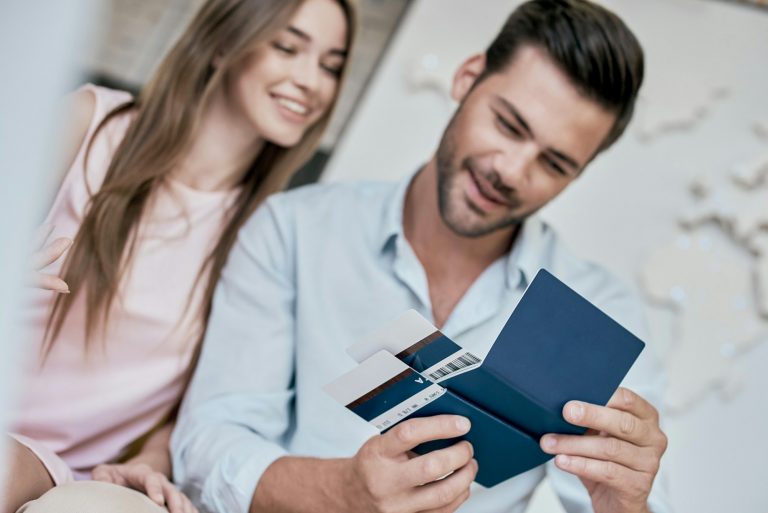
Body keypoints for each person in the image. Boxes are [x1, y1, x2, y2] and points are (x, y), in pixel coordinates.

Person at [173, 1, 672, 513]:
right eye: (508, 125)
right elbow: (208, 443)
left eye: (554, 162)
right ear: (467, 78)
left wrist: (625, 505)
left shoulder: (596, 315)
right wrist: (344, 494)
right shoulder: (295, 230)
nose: (512, 171)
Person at [1, 0, 355, 512]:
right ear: (222, 42)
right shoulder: (88, 123)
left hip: (57, 465)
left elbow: (201, 401)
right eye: (288, 47)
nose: (311, 81)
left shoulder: (266, 237)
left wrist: (153, 462)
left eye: (331, 65)